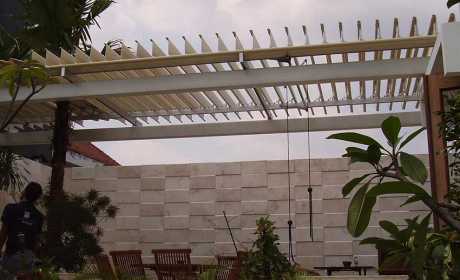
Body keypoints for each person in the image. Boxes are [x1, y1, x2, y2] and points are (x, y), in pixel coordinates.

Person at [0, 182, 44, 278]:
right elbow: (36, 242)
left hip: (11, 255)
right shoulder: (39, 216)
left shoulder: (10, 209)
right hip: (28, 258)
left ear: (24, 192)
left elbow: (3, 233)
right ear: (37, 198)